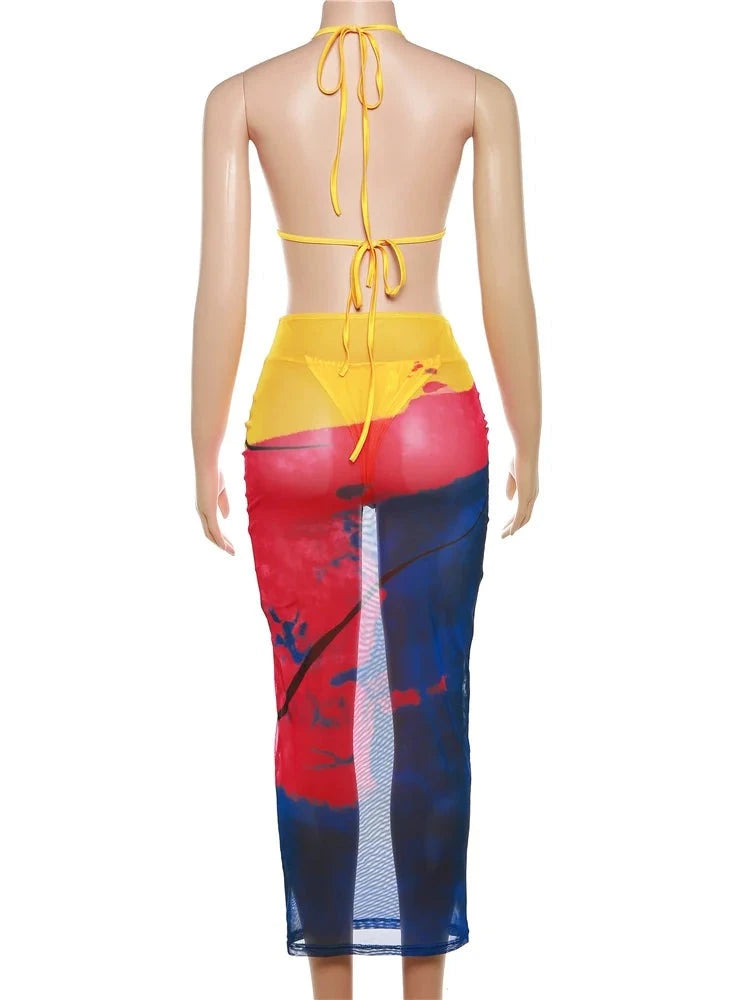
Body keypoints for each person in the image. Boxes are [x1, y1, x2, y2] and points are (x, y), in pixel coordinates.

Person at [191, 2, 541, 998]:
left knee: (312, 718)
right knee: (428, 711)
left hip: (297, 421)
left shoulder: (242, 96)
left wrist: (200, 444)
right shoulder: (476, 94)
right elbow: (507, 284)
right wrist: (532, 433)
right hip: (434, 418)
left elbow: (221, 289)